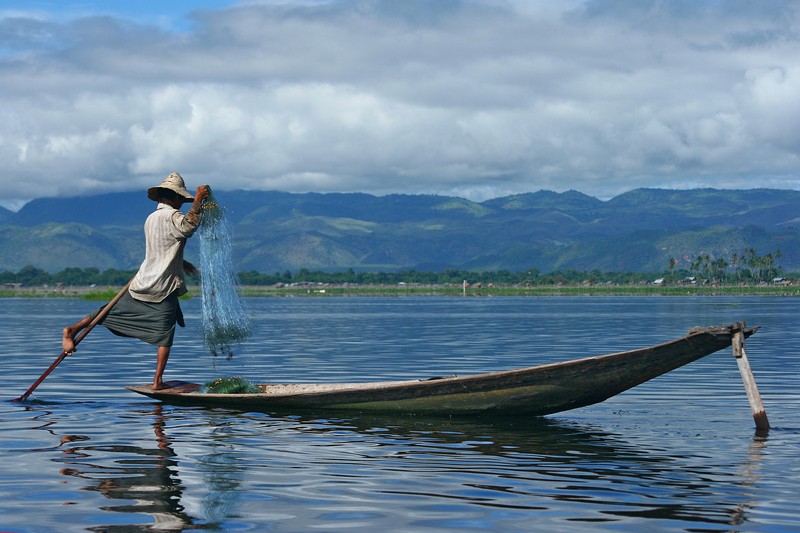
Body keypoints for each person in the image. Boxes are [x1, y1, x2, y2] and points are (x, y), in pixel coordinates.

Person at [62, 172, 210, 389]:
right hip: (162, 285)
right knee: (165, 334)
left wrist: (181, 262)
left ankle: (72, 329)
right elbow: (188, 227)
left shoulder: (151, 218)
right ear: (174, 197)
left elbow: (164, 246)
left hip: (143, 280)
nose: (181, 202)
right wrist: (197, 200)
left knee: (106, 312)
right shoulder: (173, 216)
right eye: (180, 199)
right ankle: (157, 381)